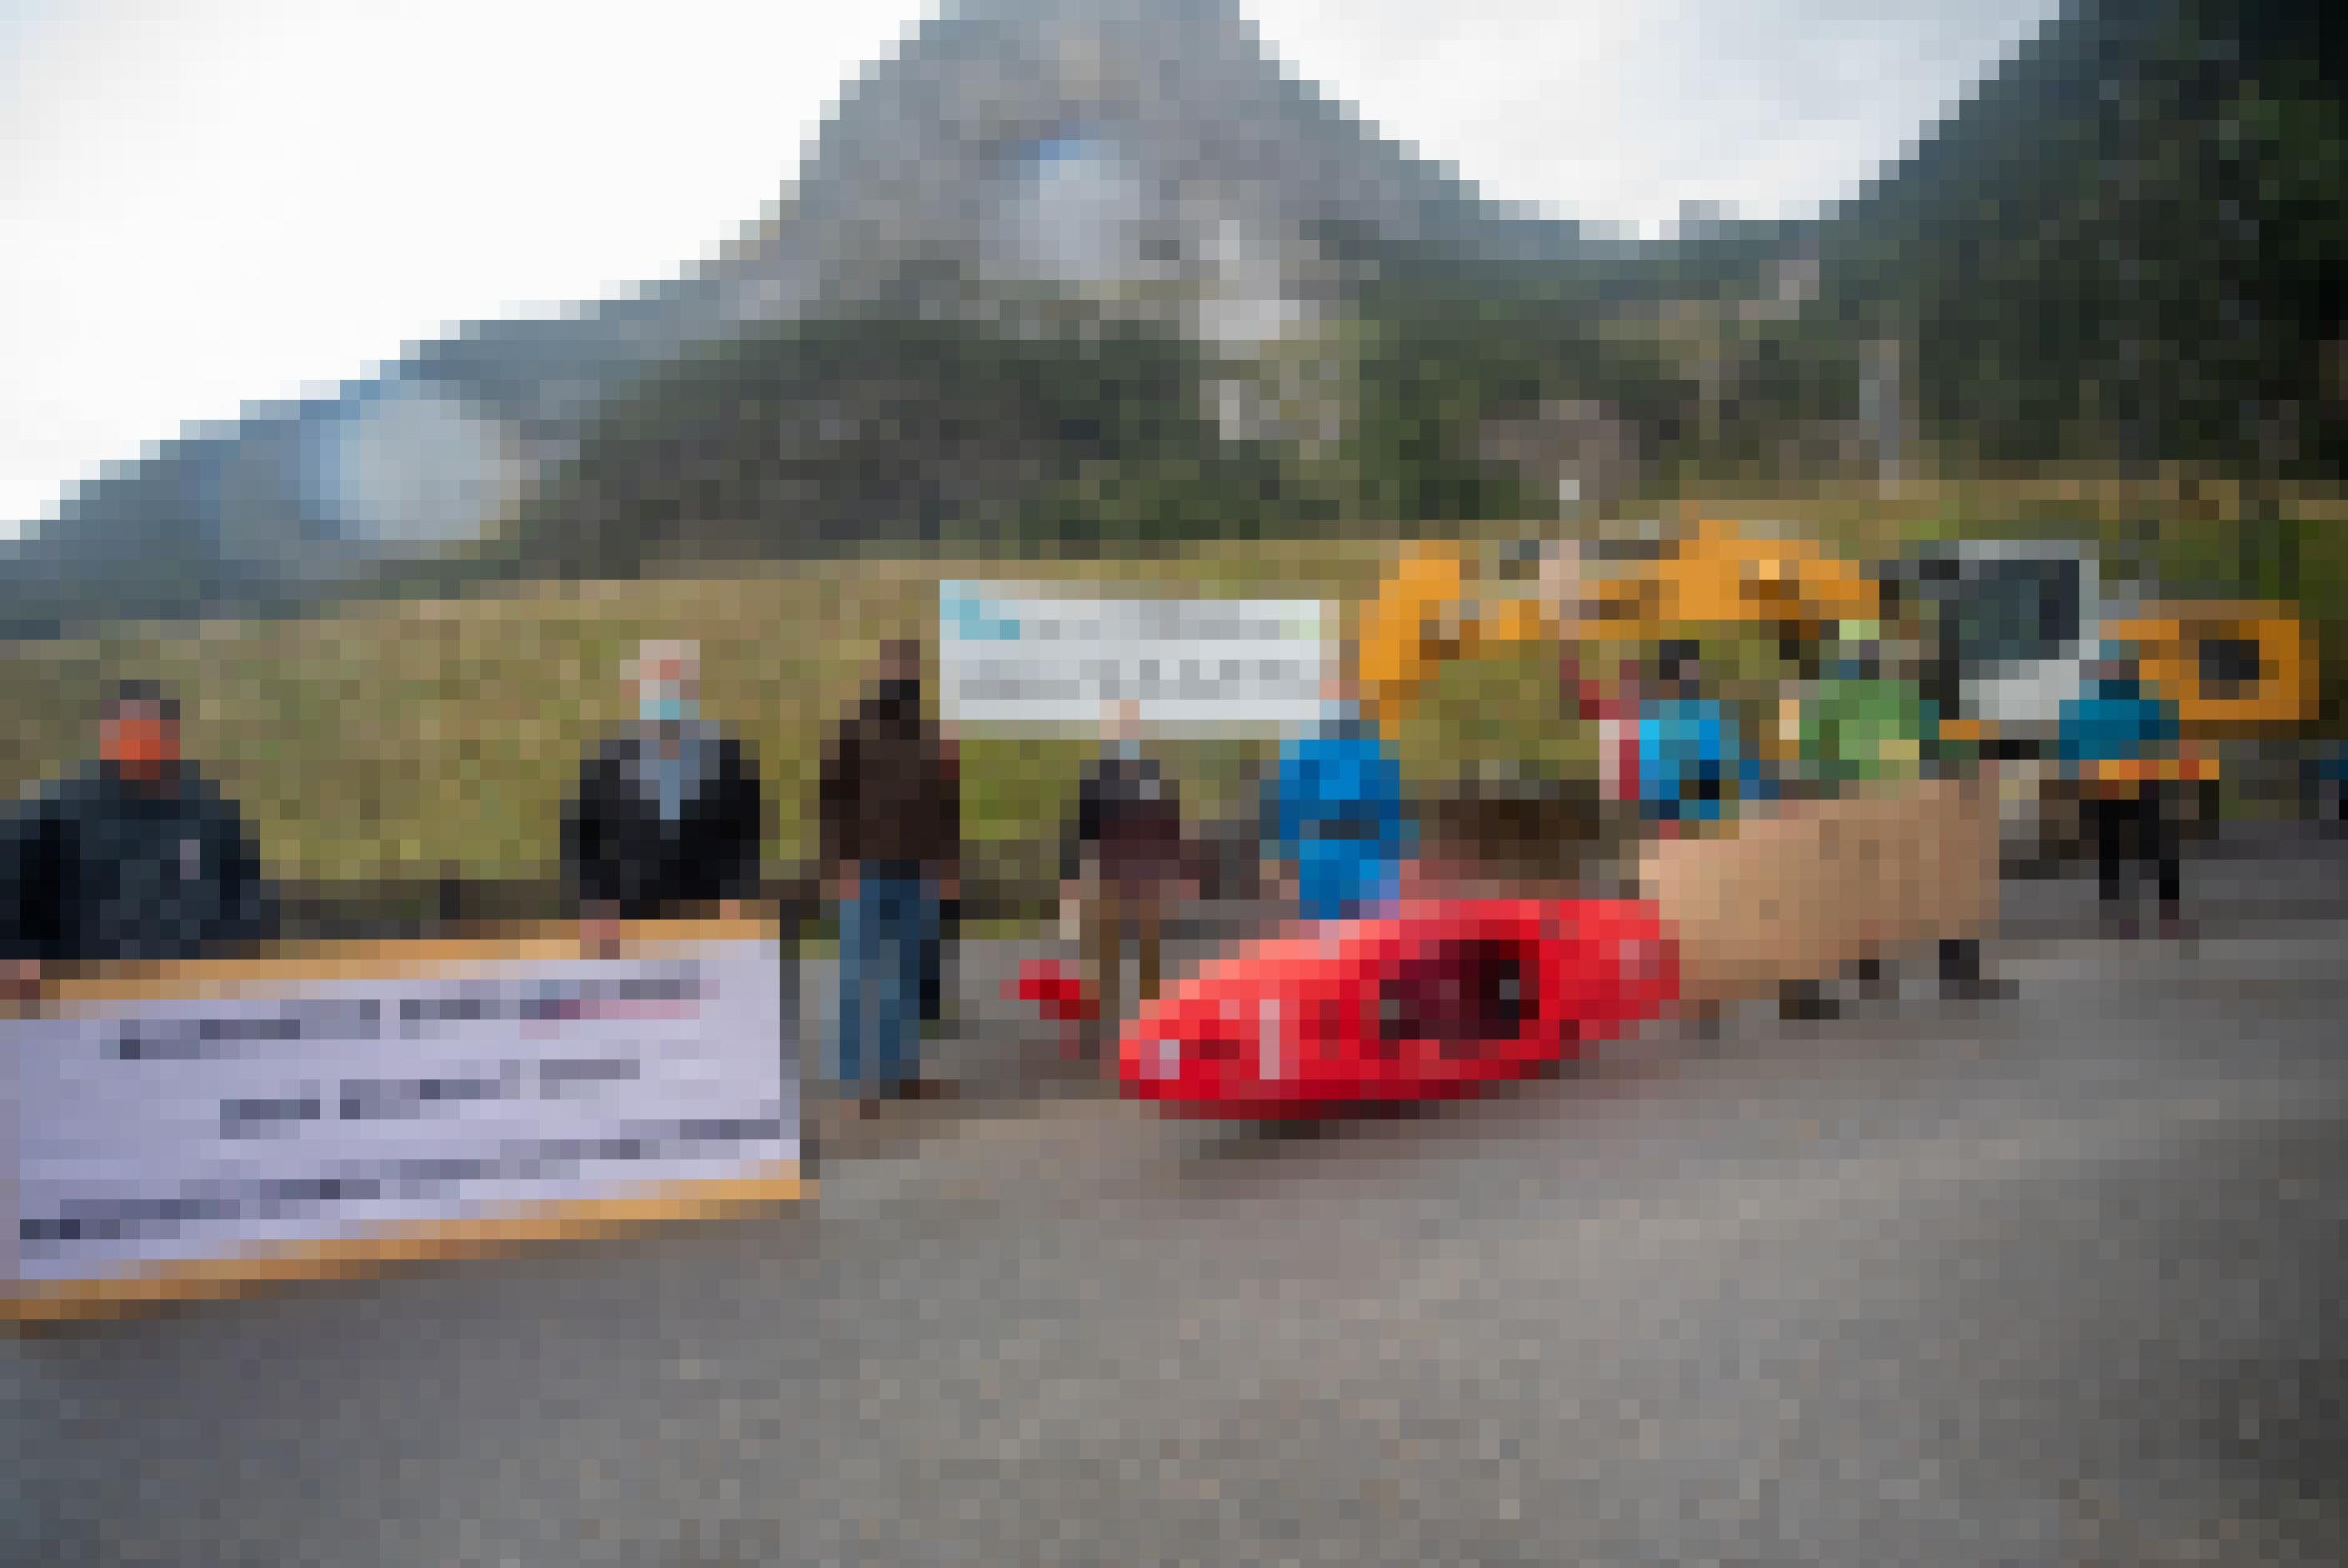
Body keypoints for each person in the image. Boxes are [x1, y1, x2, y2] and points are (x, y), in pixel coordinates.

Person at [1, 680, 275, 986]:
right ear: (107, 737)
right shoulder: (56, 813)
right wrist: (18, 954)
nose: (143, 743)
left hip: (195, 986)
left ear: (172, 738)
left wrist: (239, 958)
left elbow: (244, 895)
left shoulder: (211, 812)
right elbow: (15, 893)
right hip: (85, 989)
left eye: (154, 733)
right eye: (129, 733)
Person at [817, 638, 961, 1115]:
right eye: (896, 666)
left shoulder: (934, 735)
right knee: (860, 973)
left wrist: (947, 866)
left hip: (918, 871)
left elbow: (947, 808)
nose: (903, 675)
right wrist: (841, 864)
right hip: (866, 869)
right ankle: (860, 1081)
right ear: (879, 670)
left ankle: (902, 1072)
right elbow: (832, 801)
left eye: (911, 667)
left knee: (907, 974)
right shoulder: (855, 729)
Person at [561, 639, 768, 930]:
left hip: (706, 916)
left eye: (676, 680)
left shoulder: (727, 760)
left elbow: (744, 836)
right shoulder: (607, 762)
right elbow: (583, 837)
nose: (667, 691)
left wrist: (735, 901)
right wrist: (595, 906)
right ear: (637, 689)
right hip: (627, 919)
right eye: (658, 679)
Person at [1060, 699, 1190, 1055]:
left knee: (1150, 964)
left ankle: (1151, 1034)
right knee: (1105, 964)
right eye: (1118, 725)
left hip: (1148, 880)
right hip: (1108, 880)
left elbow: (1170, 830)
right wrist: (1071, 878)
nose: (1123, 731)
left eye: (1129, 724)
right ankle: (1100, 1039)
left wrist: (1178, 874)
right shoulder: (1098, 777)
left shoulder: (1154, 776)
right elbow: (1080, 831)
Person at [1262, 673, 1416, 924]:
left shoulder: (1371, 754)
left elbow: (1390, 811)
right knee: (1346, 927)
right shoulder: (1369, 753)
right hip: (1334, 858)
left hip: (1349, 858)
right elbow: (1288, 807)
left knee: (1350, 927)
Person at [2058, 648, 2186, 938]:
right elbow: (2166, 741)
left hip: (2109, 787)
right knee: (2152, 847)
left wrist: (2076, 779)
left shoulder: (2085, 707)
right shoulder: (2146, 705)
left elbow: (2071, 749)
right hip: (2139, 784)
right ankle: (2163, 911)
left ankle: (2124, 913)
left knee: (2115, 851)